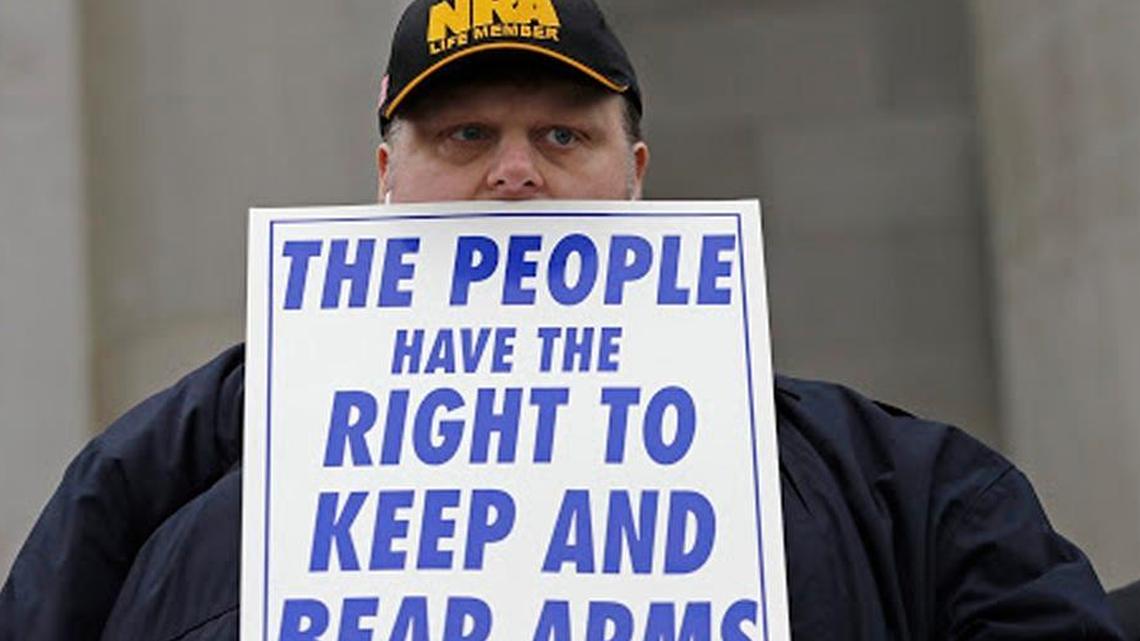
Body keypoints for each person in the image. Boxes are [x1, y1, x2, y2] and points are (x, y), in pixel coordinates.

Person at [0, 1, 1126, 639]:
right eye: (462, 137)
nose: (514, 176)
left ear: (634, 171)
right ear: (383, 177)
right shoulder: (157, 499)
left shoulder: (901, 490)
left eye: (561, 137)